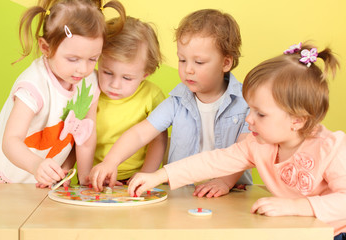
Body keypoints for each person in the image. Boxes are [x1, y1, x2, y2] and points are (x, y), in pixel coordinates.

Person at [128, 42, 346, 239]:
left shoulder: (331, 148)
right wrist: (160, 175)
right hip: (298, 230)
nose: (249, 118)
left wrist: (298, 206)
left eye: (260, 114)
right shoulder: (259, 144)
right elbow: (213, 161)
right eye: (250, 109)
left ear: (297, 120)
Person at [90, 9, 252, 195]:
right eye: (182, 60)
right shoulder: (177, 101)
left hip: (232, 191)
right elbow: (140, 134)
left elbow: (245, 151)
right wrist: (111, 161)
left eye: (199, 62)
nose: (188, 69)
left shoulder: (245, 102)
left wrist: (224, 182)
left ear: (225, 63)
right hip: (184, 191)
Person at [0, 0, 125, 187]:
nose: (83, 69)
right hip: (3, 183)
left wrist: (84, 177)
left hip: (42, 186)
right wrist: (36, 165)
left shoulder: (90, 81)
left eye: (93, 58)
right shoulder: (34, 84)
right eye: (72, 59)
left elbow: (86, 133)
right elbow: (11, 140)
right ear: (46, 48)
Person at [94, 16, 168, 183]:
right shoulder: (90, 90)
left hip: (133, 177)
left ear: (145, 74)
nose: (115, 85)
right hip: (96, 176)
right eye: (107, 72)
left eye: (127, 78)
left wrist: (146, 174)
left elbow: (158, 139)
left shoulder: (152, 95)